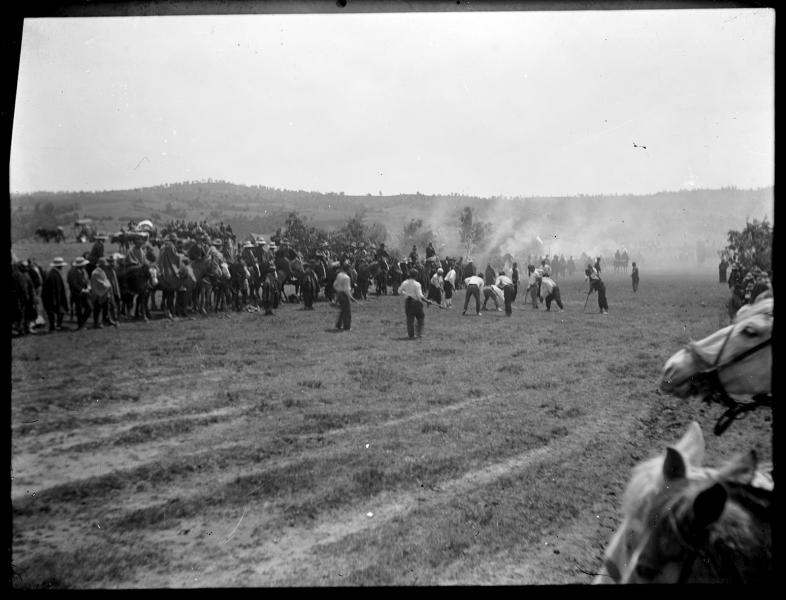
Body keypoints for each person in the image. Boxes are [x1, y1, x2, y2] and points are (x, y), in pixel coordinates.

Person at [398, 268, 431, 339]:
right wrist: (427, 301)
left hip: (408, 303)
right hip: (416, 303)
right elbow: (420, 296)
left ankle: (411, 335)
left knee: (410, 320)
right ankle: (419, 334)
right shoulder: (417, 284)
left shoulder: (405, 282)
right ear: (416, 276)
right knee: (420, 318)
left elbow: (399, 291)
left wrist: (406, 294)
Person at [42, 257, 70, 332]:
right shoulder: (53, 275)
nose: (62, 267)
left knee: (58, 312)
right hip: (53, 298)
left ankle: (56, 326)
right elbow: (54, 289)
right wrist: (55, 300)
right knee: (54, 314)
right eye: (61, 265)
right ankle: (54, 327)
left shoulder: (53, 273)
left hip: (54, 298)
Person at [90, 257, 115, 328]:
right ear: (102, 265)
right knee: (97, 309)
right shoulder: (96, 273)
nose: (106, 266)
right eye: (104, 265)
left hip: (104, 292)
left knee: (106, 307)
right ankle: (97, 323)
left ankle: (106, 320)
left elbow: (105, 280)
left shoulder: (102, 271)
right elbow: (101, 283)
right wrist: (108, 285)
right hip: (98, 293)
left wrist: (107, 285)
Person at [68, 256, 92, 329]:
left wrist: (88, 287)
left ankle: (82, 322)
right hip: (77, 294)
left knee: (89, 308)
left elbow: (87, 280)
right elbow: (73, 284)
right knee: (79, 309)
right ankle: (80, 325)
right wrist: (82, 290)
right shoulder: (73, 272)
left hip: (85, 293)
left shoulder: (84, 271)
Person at [332, 261, 357, 330]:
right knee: (347, 312)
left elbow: (334, 285)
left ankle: (338, 325)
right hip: (344, 295)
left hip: (339, 294)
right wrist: (352, 298)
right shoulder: (347, 278)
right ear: (348, 269)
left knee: (342, 310)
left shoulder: (339, 275)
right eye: (350, 269)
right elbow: (347, 290)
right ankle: (347, 327)